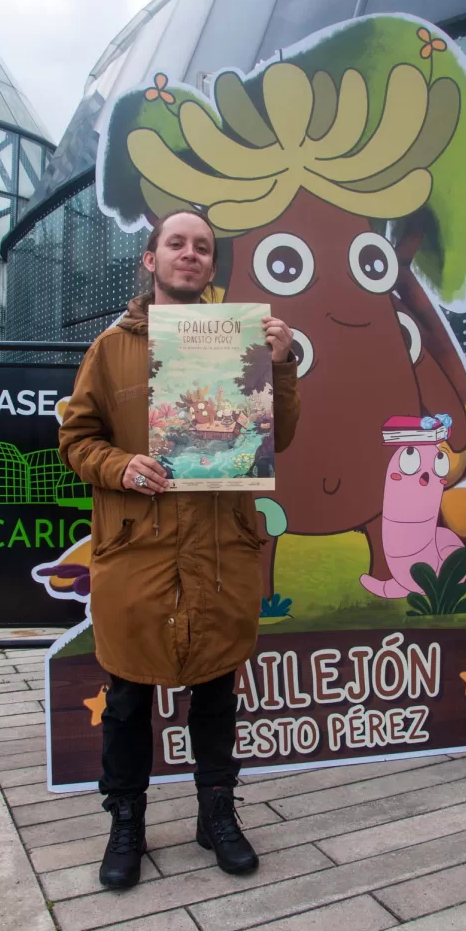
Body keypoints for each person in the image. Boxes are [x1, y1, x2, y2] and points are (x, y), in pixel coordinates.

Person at [58, 210, 299, 889]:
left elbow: (279, 438)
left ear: (211, 265)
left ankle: (216, 814)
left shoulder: (245, 340)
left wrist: (282, 365)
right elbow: (76, 440)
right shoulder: (111, 348)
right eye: (176, 243)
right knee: (127, 698)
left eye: (202, 247)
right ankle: (126, 822)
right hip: (138, 552)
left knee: (217, 690)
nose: (189, 254)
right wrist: (120, 466)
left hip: (219, 550)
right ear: (151, 259)